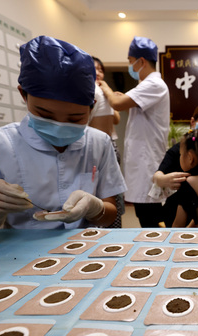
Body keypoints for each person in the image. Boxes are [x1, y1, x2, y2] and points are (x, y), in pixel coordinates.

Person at [0, 35, 127, 229]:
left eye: (75, 119)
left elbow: (110, 215)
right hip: (19, 255)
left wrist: (96, 209)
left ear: (91, 107)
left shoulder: (99, 143)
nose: (60, 126)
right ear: (23, 95)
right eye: (46, 115)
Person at [98, 36, 169, 227]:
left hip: (147, 162)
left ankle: (156, 252)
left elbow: (117, 104)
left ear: (141, 61)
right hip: (142, 161)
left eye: (131, 62)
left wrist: (105, 87)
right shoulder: (146, 86)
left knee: (150, 218)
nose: (131, 67)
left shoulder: (154, 84)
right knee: (145, 215)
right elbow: (124, 101)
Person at [152, 103, 198, 227]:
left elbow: (178, 229)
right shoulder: (179, 149)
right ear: (193, 122)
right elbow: (158, 175)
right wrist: (162, 179)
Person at [90, 56, 124, 228]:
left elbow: (116, 118)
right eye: (93, 68)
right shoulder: (92, 91)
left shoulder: (101, 91)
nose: (98, 72)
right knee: (107, 193)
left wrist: (110, 94)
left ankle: (111, 228)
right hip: (98, 147)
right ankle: (111, 228)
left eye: (101, 69)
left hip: (109, 145)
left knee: (109, 194)